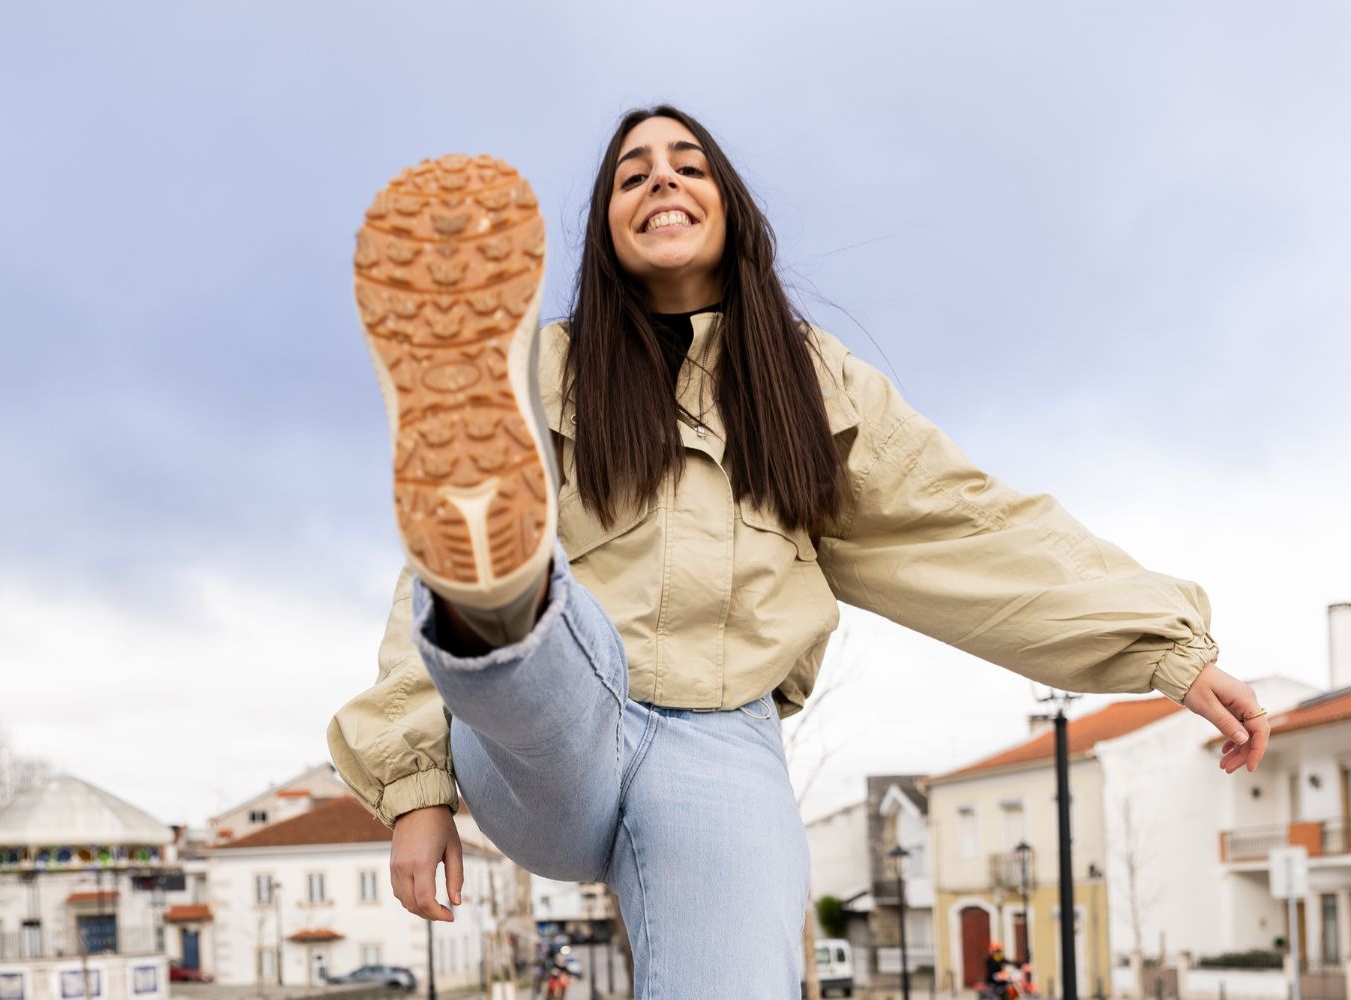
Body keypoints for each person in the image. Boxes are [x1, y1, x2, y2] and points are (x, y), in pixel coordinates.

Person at [328, 105, 1270, 998]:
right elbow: (420, 564)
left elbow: (969, 525)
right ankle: (496, 592)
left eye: (689, 166)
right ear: (605, 227)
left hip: (720, 741)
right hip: (558, 724)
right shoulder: (553, 369)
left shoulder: (812, 384)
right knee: (541, 638)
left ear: (730, 206)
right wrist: (417, 790)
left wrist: (1166, 647)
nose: (662, 180)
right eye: (632, 175)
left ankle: (502, 593)